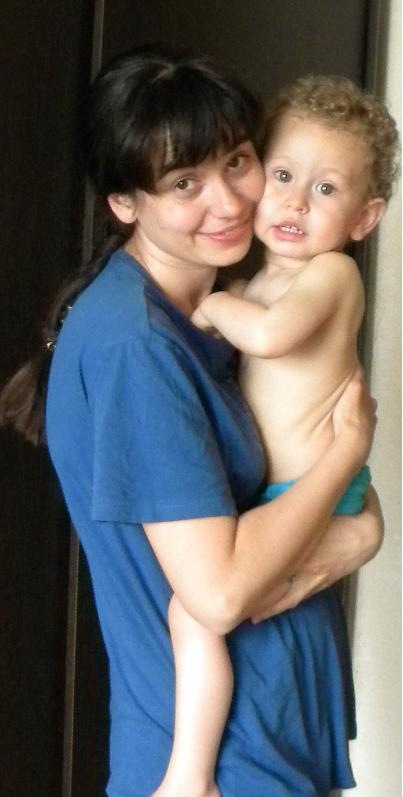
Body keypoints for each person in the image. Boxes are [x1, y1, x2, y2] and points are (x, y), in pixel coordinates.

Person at [0, 48, 384, 797]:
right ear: (125, 203)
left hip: (275, 725)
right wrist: (350, 458)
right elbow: (218, 592)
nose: (230, 201)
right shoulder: (136, 342)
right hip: (222, 757)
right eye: (184, 183)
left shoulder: (214, 314)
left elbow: (289, 477)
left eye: (237, 162)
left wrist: (362, 530)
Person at [160, 74, 399, 797]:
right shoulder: (256, 279)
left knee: (197, 608)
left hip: (310, 493)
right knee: (217, 607)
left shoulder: (331, 275)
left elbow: (269, 336)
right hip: (291, 495)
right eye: (285, 175)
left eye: (326, 189)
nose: (295, 202)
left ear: (364, 218)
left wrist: (213, 310)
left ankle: (189, 775)